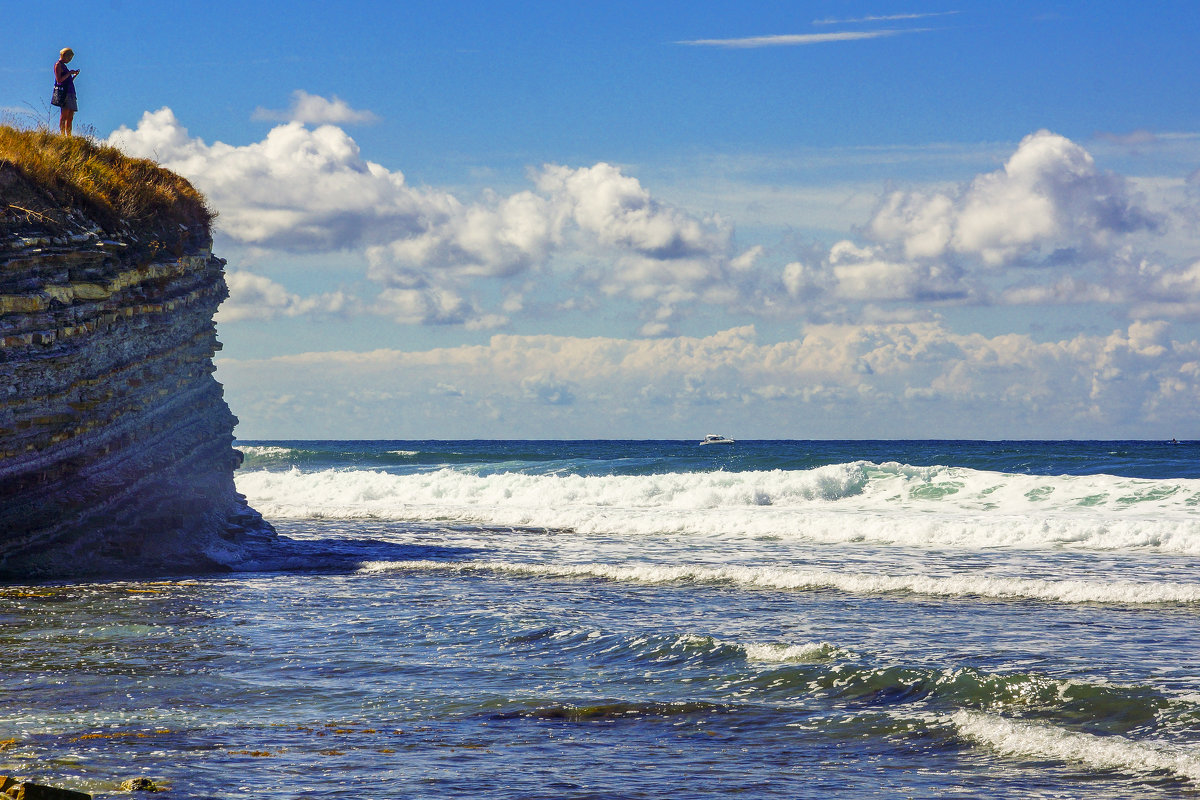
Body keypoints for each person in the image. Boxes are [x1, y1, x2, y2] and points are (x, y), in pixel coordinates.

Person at [53, 48, 80, 135]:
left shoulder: (65, 66)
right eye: (69, 58)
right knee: (64, 114)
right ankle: (62, 134)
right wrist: (69, 73)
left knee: (70, 116)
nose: (69, 60)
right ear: (64, 56)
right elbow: (59, 80)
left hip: (71, 92)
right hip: (64, 93)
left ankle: (69, 135)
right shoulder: (58, 65)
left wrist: (73, 75)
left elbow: (67, 81)